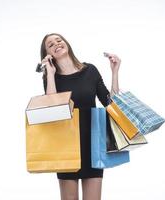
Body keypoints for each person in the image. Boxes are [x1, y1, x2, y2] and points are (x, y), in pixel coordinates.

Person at [40, 33, 121, 200]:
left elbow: (110, 104)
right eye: (50, 44)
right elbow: (53, 109)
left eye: (59, 40)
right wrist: (50, 73)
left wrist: (114, 73)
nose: (56, 43)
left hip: (93, 145)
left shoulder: (90, 70)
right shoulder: (51, 77)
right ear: (47, 54)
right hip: (65, 146)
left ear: (66, 43)